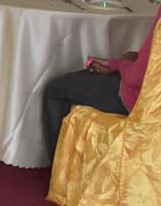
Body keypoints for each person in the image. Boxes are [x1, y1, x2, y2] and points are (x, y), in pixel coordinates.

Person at [42, 16, 157, 161]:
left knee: (55, 91)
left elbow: (135, 78)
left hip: (141, 102)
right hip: (152, 103)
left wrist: (120, 63)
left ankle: (58, 166)